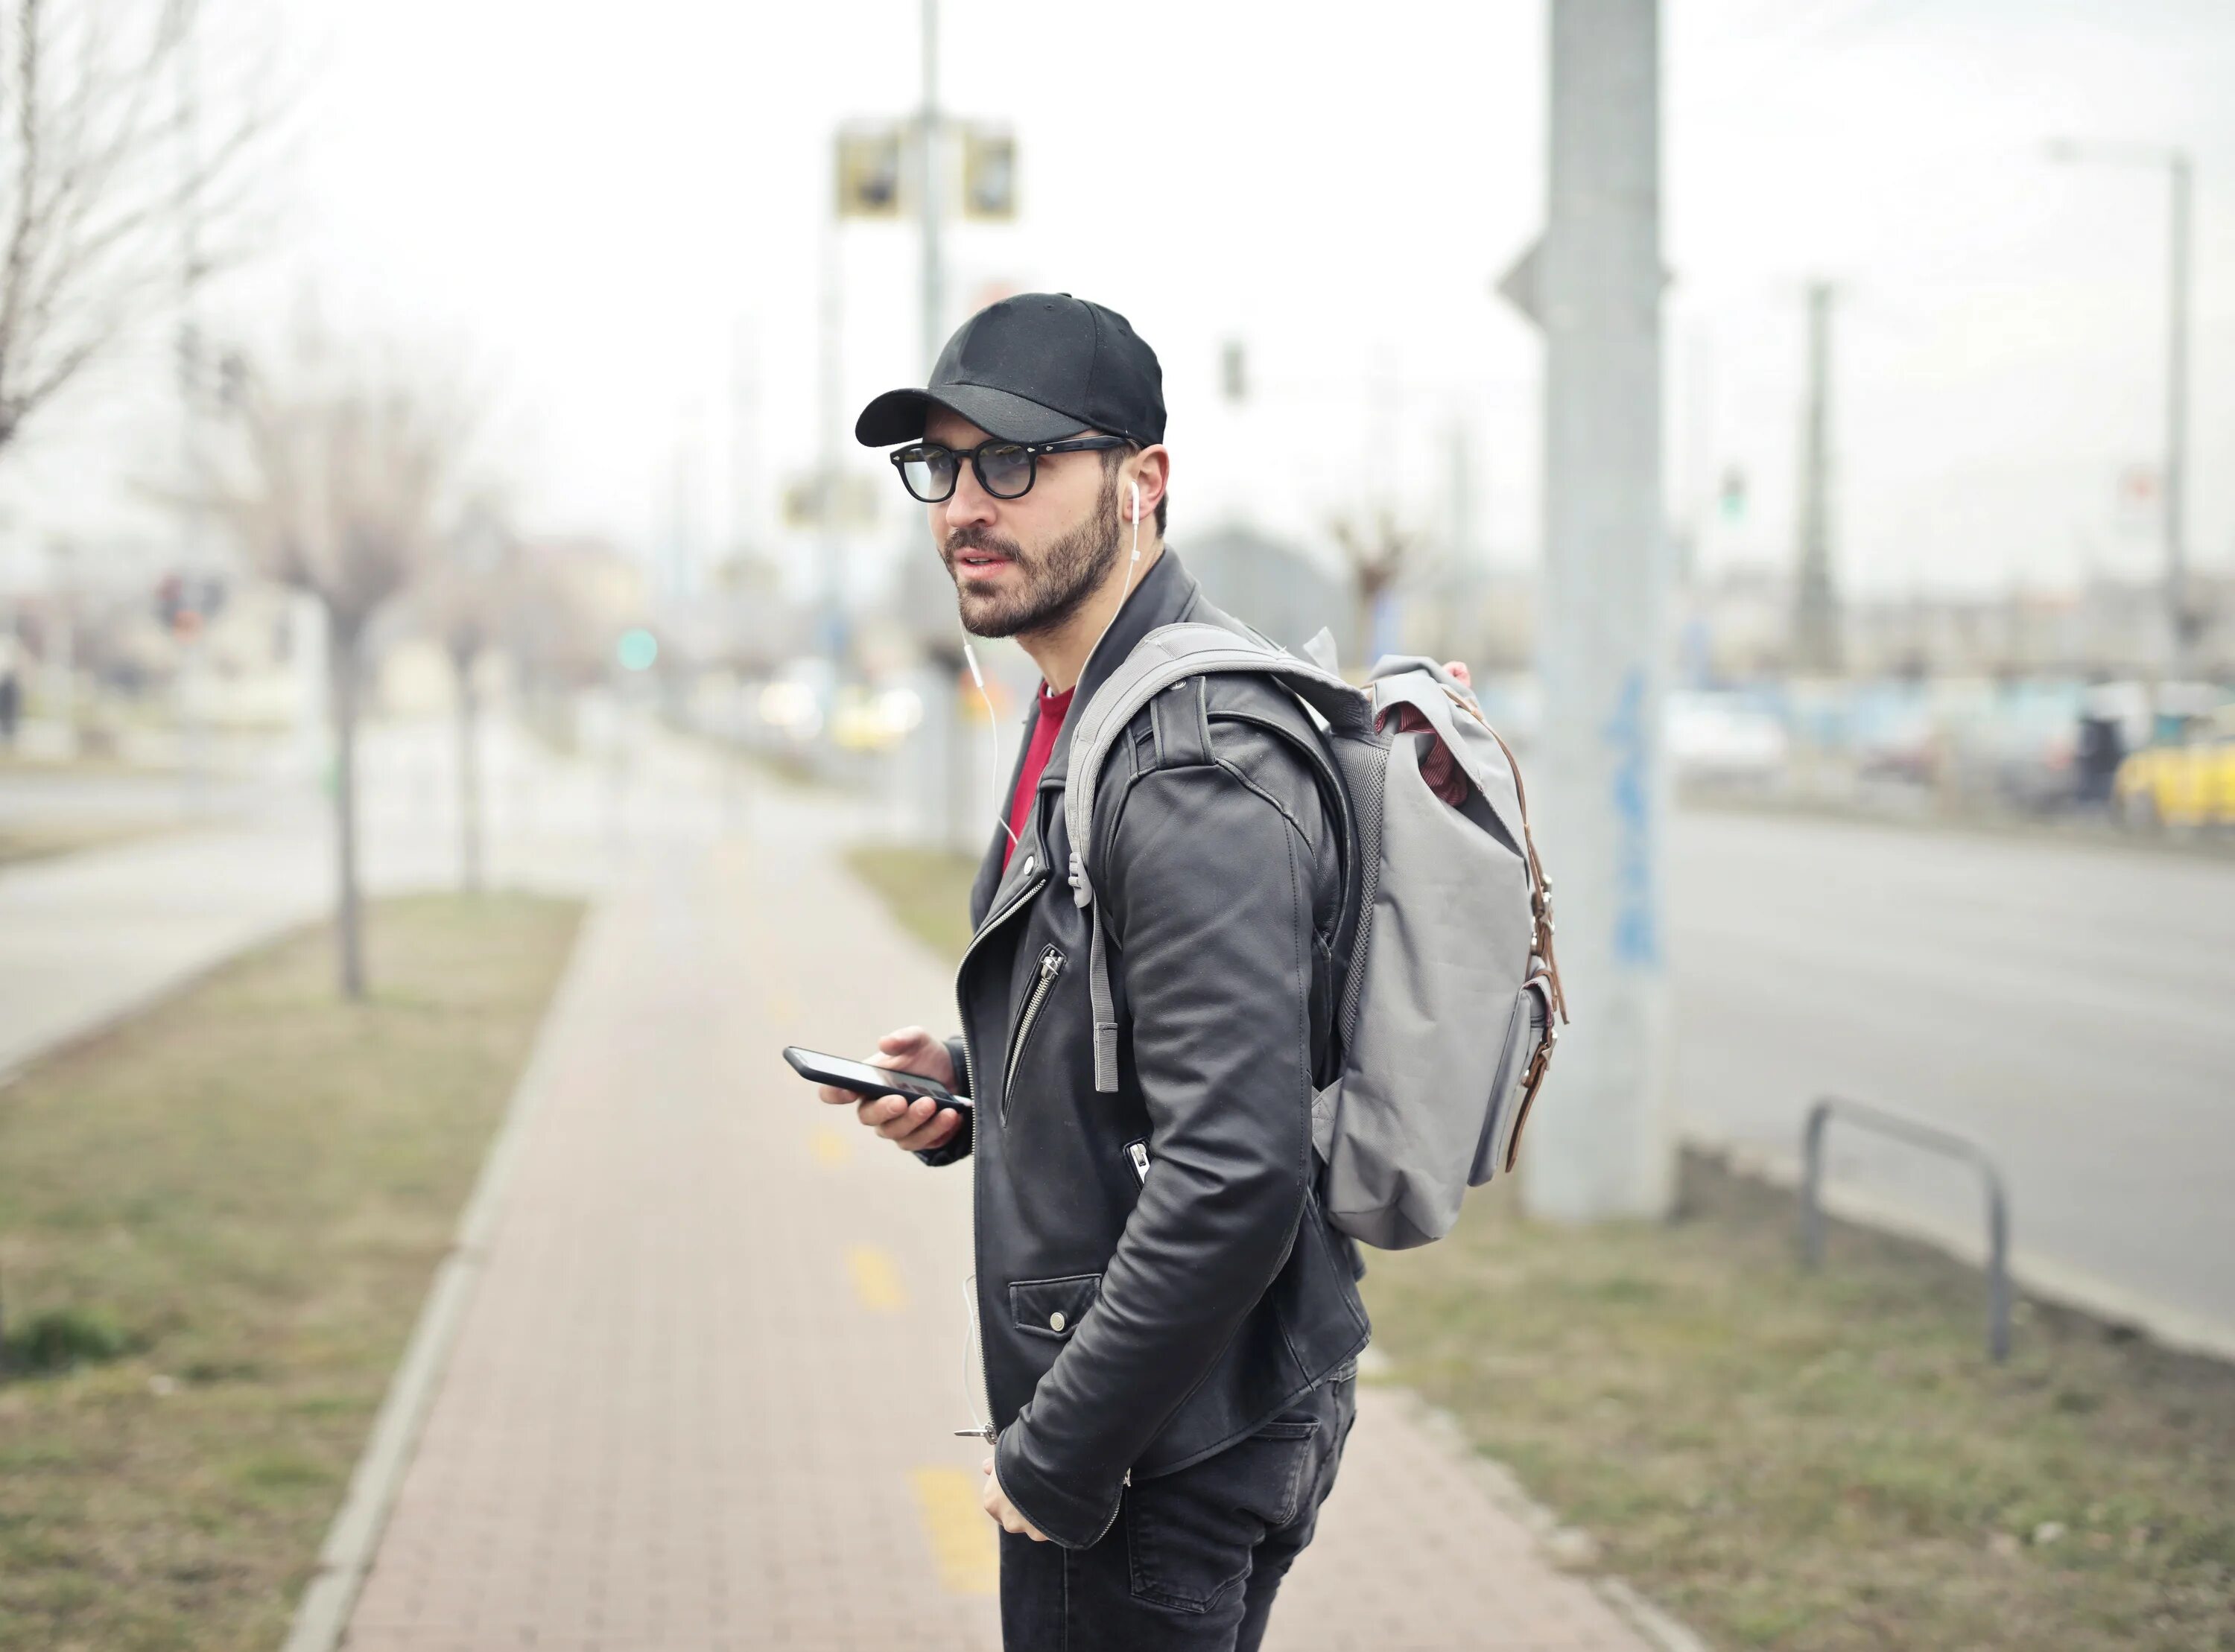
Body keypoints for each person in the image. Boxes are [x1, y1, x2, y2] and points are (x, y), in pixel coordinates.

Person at [823, 293, 1465, 1651]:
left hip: (1156, 1449)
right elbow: (1160, 1068)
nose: (962, 510)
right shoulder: (1084, 698)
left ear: (1142, 481)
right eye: (940, 466)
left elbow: (1234, 1170)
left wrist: (1059, 1454)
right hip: (1169, 1412)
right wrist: (978, 1094)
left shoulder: (1183, 765)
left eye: (1015, 461)